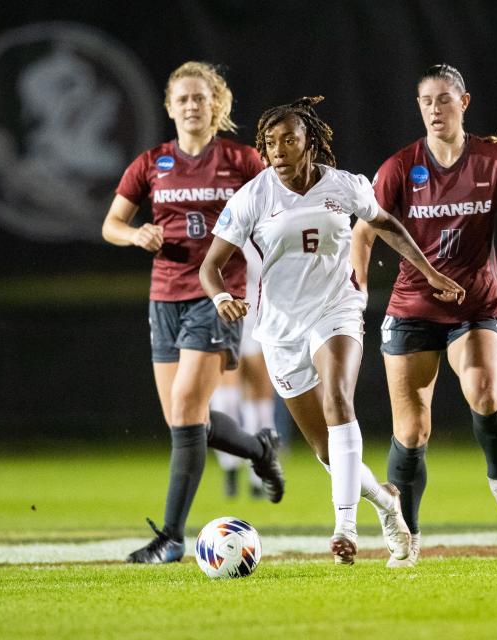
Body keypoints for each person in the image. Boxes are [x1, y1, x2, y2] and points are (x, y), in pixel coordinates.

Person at [200, 96, 467, 565]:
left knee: (338, 399)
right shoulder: (252, 197)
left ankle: (344, 526)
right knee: (327, 452)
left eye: (289, 140)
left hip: (336, 310)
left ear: (309, 144)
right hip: (280, 330)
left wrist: (430, 273)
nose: (278, 150)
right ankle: (386, 502)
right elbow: (211, 266)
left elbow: (388, 226)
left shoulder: (344, 186)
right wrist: (222, 297)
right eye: (269, 143)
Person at [350, 64, 497, 568]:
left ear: (464, 102)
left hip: (475, 306)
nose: (435, 109)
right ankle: (405, 537)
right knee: (412, 432)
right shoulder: (399, 167)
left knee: (484, 392)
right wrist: (359, 285)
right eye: (427, 101)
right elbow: (364, 231)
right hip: (412, 307)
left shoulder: (494, 158)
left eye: (444, 99)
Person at [101, 61, 285, 564]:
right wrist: (135, 234)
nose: (190, 106)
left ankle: (172, 537)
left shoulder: (241, 160)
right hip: (164, 299)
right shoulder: (152, 163)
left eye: (199, 98)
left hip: (218, 298)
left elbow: (282, 207)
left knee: (187, 411)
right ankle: (258, 449)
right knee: (187, 420)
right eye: (181, 98)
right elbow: (111, 224)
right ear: (169, 107)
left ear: (215, 105)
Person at [210, 239, 279, 499]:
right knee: (226, 400)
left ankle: (257, 473)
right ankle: (229, 466)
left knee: (261, 404)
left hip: (261, 324)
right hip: (226, 322)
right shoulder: (224, 230)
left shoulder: (265, 231)